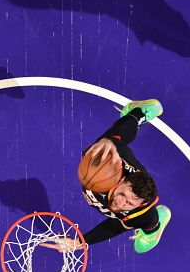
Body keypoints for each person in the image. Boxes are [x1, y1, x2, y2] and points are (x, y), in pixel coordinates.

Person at [43, 100, 171, 254]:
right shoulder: (108, 163)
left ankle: (154, 229)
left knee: (150, 222)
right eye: (122, 193)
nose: (120, 202)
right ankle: (139, 112)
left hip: (144, 215)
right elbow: (116, 135)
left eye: (129, 203)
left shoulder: (142, 212)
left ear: (139, 204)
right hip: (115, 153)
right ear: (122, 180)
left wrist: (79, 243)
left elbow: (114, 226)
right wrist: (109, 140)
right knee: (112, 139)